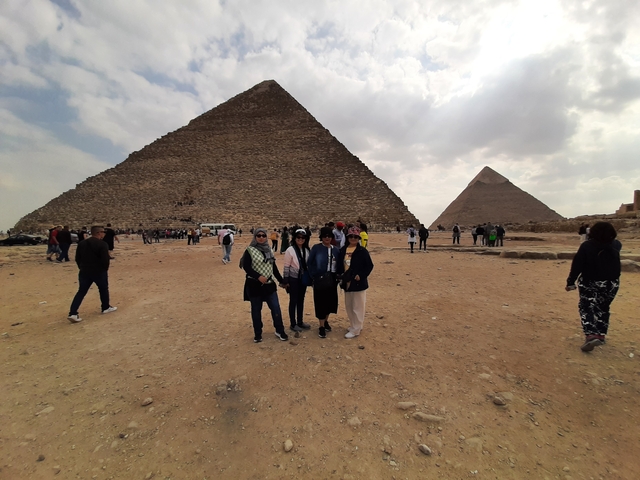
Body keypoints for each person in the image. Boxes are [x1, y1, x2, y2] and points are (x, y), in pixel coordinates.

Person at [566, 221, 621, 352]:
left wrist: (571, 281)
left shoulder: (587, 246)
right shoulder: (617, 245)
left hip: (591, 281)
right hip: (612, 283)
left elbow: (577, 264)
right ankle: (601, 335)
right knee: (603, 307)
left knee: (586, 306)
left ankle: (591, 334)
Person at [241, 228, 289, 343]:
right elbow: (246, 266)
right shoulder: (250, 250)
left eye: (263, 235)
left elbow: (273, 267)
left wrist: (281, 281)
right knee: (256, 310)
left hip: (269, 285)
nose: (261, 237)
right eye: (259, 235)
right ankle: (258, 333)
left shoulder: (269, 250)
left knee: (276, 308)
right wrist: (258, 276)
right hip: (254, 285)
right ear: (255, 237)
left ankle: (280, 330)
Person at [67, 226, 117, 323]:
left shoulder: (82, 243)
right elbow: (105, 260)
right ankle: (105, 307)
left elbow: (77, 258)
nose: (104, 234)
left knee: (81, 291)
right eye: (103, 232)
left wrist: (81, 268)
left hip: (84, 271)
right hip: (98, 271)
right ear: (99, 233)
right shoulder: (102, 244)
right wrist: (104, 270)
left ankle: (73, 313)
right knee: (103, 289)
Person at [337, 226, 374, 338]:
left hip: (358, 283)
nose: (353, 239)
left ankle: (356, 329)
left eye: (355, 237)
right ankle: (354, 325)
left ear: (358, 238)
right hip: (347, 282)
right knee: (349, 306)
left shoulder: (362, 251)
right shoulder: (343, 250)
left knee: (358, 306)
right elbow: (339, 265)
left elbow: (369, 266)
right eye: (351, 236)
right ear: (348, 237)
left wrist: (361, 276)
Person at [308, 226, 340, 338]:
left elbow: (340, 265)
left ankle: (326, 321)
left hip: (332, 279)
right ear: (321, 237)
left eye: (329, 236)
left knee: (330, 303)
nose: (327, 238)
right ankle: (321, 326)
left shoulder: (336, 250)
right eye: (325, 236)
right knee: (320, 303)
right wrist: (313, 277)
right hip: (319, 279)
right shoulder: (316, 248)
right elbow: (310, 263)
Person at [283, 228, 312, 332]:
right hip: (293, 280)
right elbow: (286, 267)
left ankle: (300, 321)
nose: (300, 239)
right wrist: (285, 281)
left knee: (301, 300)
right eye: (298, 237)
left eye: (303, 237)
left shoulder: (307, 250)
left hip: (303, 280)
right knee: (293, 301)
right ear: (294, 238)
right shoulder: (290, 250)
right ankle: (293, 323)